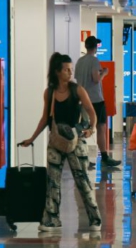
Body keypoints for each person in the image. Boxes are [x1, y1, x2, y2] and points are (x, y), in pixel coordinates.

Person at [19, 52, 102, 233]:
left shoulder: (77, 90)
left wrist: (92, 127)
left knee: (82, 180)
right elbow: (45, 119)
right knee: (53, 181)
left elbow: (91, 111)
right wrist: (32, 138)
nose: (70, 73)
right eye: (66, 70)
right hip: (56, 141)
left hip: (76, 141)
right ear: (57, 72)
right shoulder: (49, 93)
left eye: (71, 69)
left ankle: (95, 219)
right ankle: (51, 219)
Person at [73, 36, 121, 168]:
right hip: (95, 99)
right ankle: (104, 157)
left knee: (83, 127)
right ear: (95, 47)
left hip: (82, 99)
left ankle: (82, 157)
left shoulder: (79, 61)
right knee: (100, 128)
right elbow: (96, 79)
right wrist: (104, 73)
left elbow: (77, 78)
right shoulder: (94, 61)